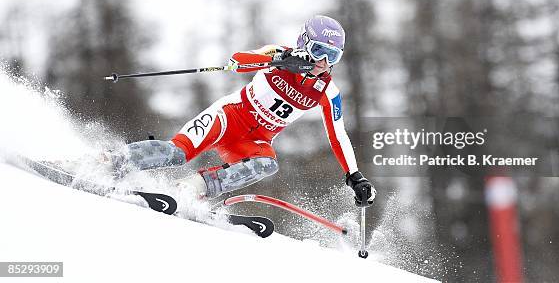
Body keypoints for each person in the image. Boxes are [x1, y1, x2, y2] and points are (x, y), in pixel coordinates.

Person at [114, 15, 376, 207]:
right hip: (228, 117)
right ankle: (111, 161)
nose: (323, 63)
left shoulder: (328, 91)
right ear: (304, 43)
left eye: (333, 57)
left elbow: (338, 136)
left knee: (267, 164)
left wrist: (354, 175)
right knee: (178, 153)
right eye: (319, 51)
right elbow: (237, 62)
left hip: (254, 141)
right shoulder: (280, 54)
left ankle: (192, 189)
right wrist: (278, 61)